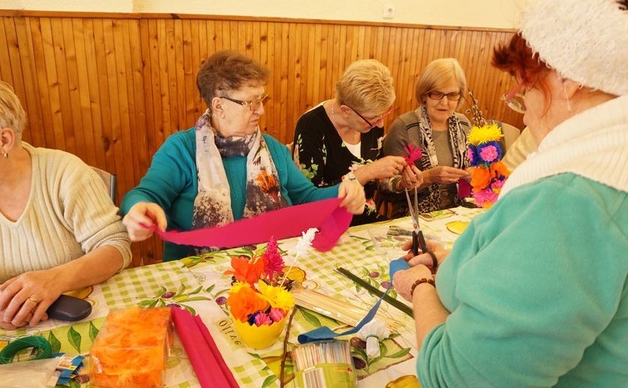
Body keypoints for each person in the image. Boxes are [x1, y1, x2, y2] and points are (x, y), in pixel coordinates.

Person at [393, 0, 628, 388]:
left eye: (526, 82)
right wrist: (463, 265)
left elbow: (462, 384)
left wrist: (420, 286)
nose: (520, 97)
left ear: (570, 78)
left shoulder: (576, 199)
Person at [0, 72, 132, 330]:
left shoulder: (65, 172)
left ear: (4, 139)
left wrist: (54, 279)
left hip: (77, 318)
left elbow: (114, 248)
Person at [121, 50, 365, 261]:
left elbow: (307, 197)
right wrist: (140, 208)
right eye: (251, 102)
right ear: (219, 106)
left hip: (268, 270)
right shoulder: (182, 149)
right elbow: (145, 194)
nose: (261, 109)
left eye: (262, 99)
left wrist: (343, 193)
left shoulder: (273, 150)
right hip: (197, 273)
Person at [292, 59, 408, 225]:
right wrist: (368, 172)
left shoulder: (371, 122)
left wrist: (401, 182)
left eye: (383, 114)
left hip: (365, 222)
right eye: (373, 119)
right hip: (325, 226)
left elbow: (377, 180)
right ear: (346, 110)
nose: (380, 123)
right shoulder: (312, 126)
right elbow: (308, 198)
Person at [382, 58, 471, 215]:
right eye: (436, 94)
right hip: (413, 218)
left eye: (452, 95)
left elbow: (478, 170)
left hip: (457, 213)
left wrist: (475, 175)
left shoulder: (463, 124)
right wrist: (427, 177)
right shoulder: (404, 127)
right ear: (424, 95)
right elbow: (386, 188)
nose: (444, 102)